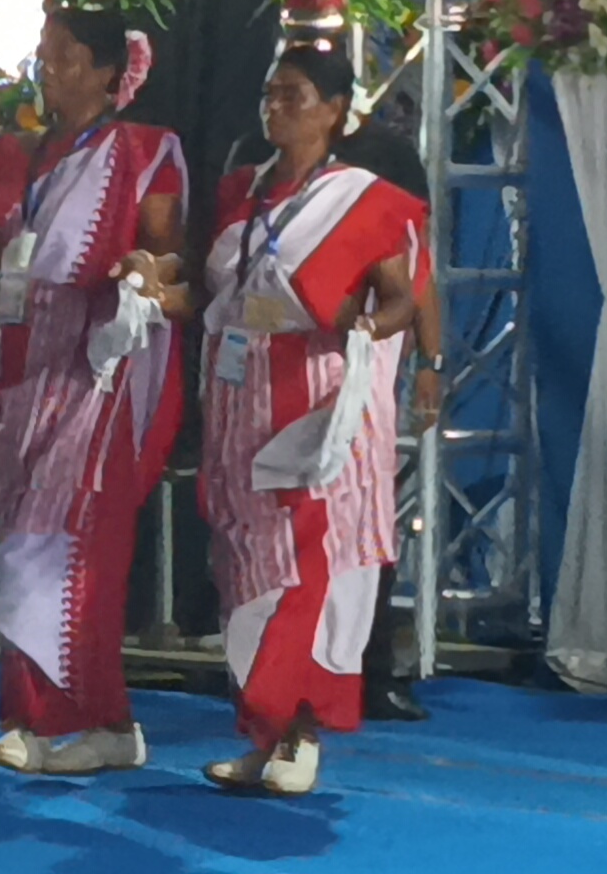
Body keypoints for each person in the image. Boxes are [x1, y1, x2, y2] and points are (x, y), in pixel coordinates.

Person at [0, 8, 188, 775]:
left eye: (66, 57)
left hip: (95, 372)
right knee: (25, 547)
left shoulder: (145, 153)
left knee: (62, 548)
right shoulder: (11, 156)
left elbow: (170, 258)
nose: (48, 69)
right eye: (43, 54)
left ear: (110, 71)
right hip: (14, 379)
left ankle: (34, 721)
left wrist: (142, 270)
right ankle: (108, 725)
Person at [195, 43, 424, 796]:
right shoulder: (242, 191)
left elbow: (402, 295)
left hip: (317, 405)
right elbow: (220, 293)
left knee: (306, 570)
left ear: (335, 110)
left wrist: (374, 331)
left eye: (293, 95)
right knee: (245, 571)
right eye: (270, 93)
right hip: (238, 404)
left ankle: (301, 732)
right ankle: (260, 733)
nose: (275, 107)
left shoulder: (361, 197)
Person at [225, 109, 440, 723]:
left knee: (353, 531)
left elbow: (415, 271)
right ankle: (266, 682)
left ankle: (359, 676)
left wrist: (431, 355)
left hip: (352, 381)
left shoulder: (382, 164)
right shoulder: (252, 169)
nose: (278, 108)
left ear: (333, 104)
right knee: (266, 541)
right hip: (258, 385)